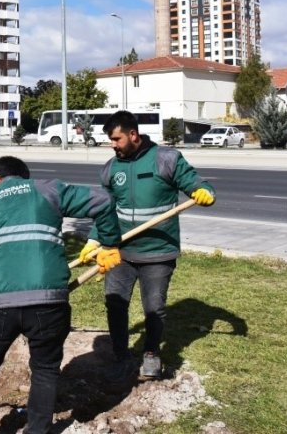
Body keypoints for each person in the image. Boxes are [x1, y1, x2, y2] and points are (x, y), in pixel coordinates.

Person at [0, 156, 123, 434]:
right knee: (44, 369)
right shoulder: (48, 189)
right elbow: (104, 201)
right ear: (25, 177)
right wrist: (109, 243)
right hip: (48, 300)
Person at [79, 110, 215, 382]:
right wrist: (95, 240)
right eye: (110, 140)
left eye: (116, 139)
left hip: (157, 251)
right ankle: (120, 353)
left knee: (154, 307)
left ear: (133, 135)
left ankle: (152, 352)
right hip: (119, 251)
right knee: (115, 304)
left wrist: (205, 191)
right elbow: (106, 211)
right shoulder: (110, 168)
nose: (112, 144)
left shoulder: (166, 159)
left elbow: (195, 182)